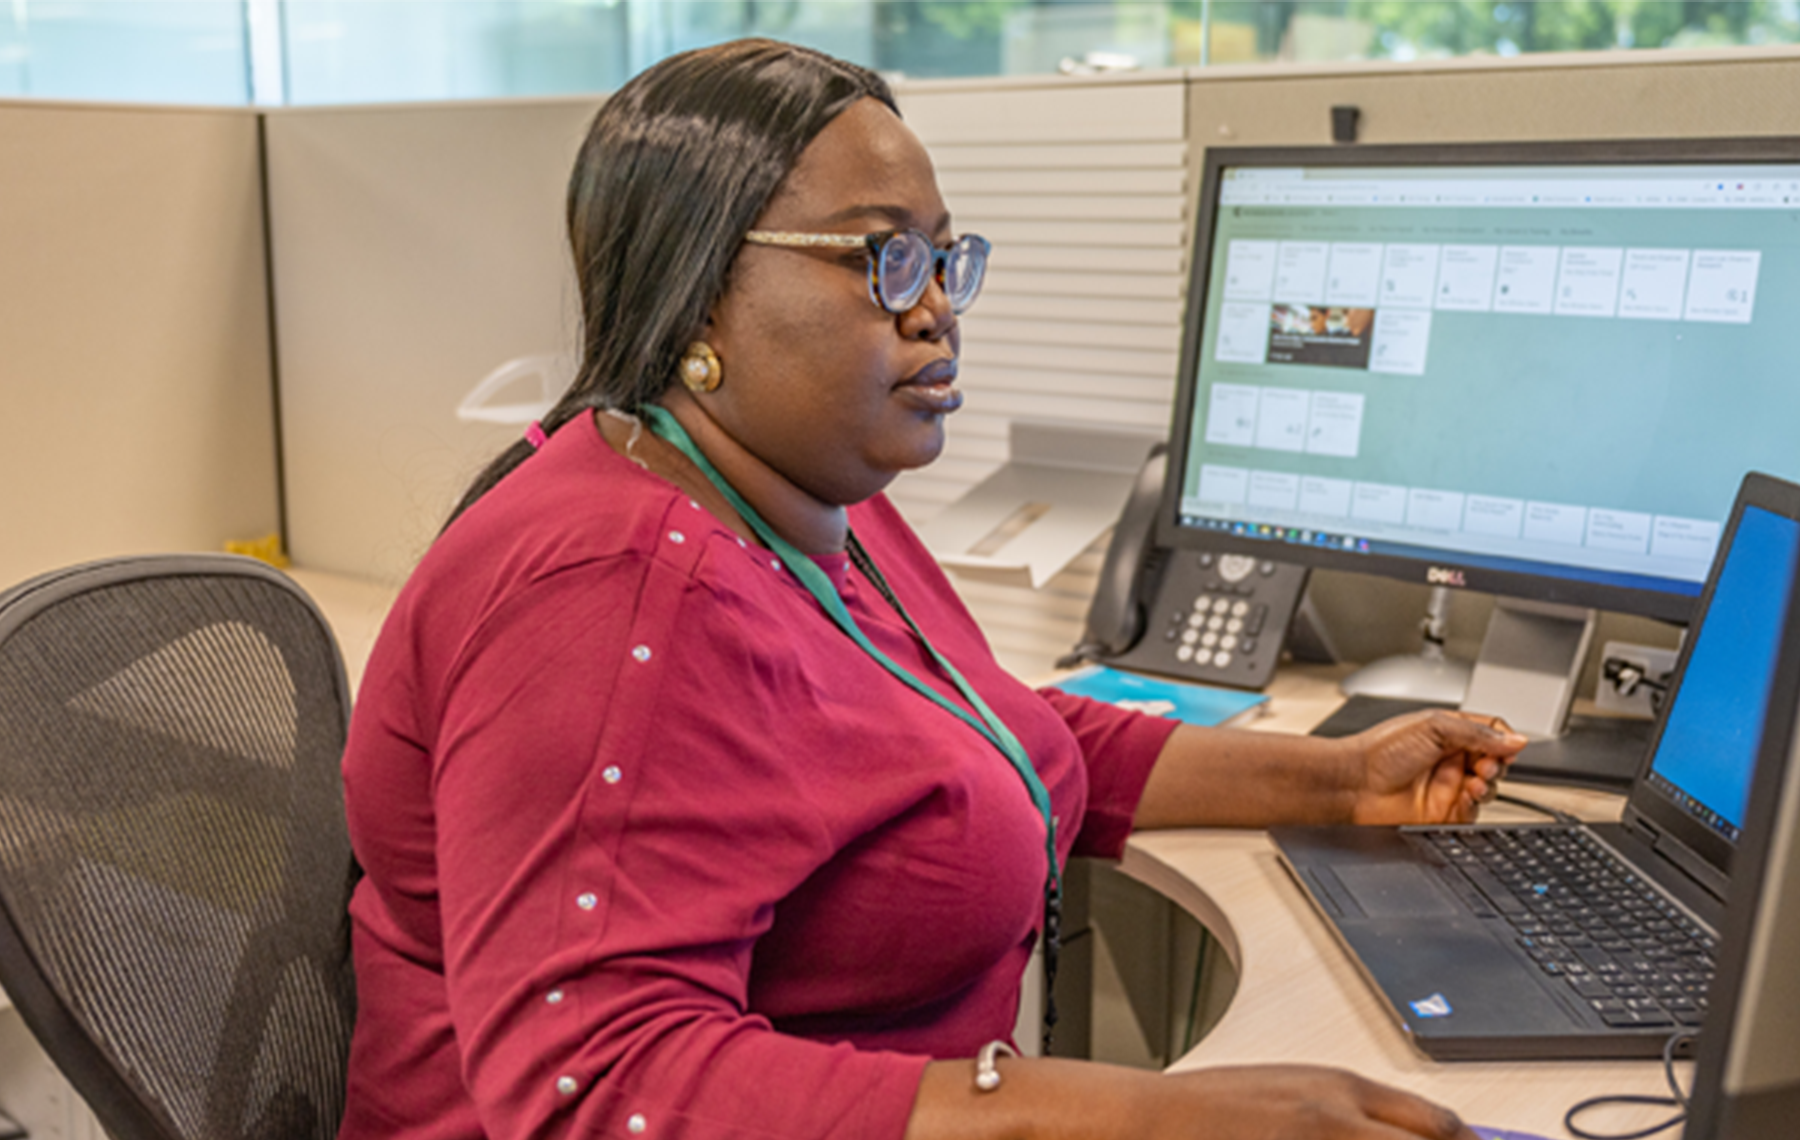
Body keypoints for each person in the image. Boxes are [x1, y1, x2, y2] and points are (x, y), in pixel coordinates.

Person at [338, 37, 1527, 1140]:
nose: (935, 307)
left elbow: (983, 731)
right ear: (699, 293)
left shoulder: (810, 496)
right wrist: (1124, 1117)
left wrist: (1338, 781)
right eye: (880, 259)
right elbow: (600, 1088)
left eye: (944, 256)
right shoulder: (613, 590)